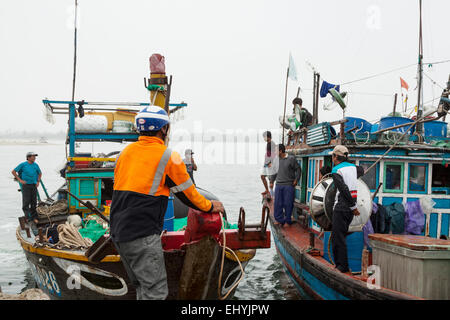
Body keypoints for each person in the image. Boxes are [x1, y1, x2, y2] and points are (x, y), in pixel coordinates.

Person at [110, 106, 224, 300]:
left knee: (140, 286)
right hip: (142, 235)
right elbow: (188, 196)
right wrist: (211, 206)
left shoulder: (124, 153)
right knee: (155, 293)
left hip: (118, 233)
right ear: (164, 129)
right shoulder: (168, 156)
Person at [330, 145, 361, 274]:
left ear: (336, 157)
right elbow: (361, 171)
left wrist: (353, 207)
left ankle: (342, 266)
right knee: (341, 236)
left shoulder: (336, 170)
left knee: (338, 238)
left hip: (342, 208)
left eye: (332, 156)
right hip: (349, 211)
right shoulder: (354, 167)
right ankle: (342, 265)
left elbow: (343, 190)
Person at [273, 144, 301, 226]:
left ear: (280, 151)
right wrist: (271, 181)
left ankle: (288, 220)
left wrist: (296, 180)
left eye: (275, 150)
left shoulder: (291, 159)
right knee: (277, 203)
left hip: (289, 185)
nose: (274, 152)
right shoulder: (276, 160)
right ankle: (279, 220)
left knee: (288, 203)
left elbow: (298, 169)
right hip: (278, 185)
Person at [12, 152, 42, 224]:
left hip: (34, 185)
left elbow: (40, 173)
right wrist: (20, 180)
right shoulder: (23, 164)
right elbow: (13, 171)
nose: (34, 158)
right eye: (33, 156)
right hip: (26, 185)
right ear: (28, 157)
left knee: (34, 202)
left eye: (35, 156)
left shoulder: (35, 165)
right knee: (26, 202)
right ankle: (28, 217)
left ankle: (34, 217)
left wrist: (38, 181)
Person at [260, 131, 278, 198]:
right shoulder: (268, 143)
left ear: (268, 137)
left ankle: (271, 194)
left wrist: (271, 163)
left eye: (264, 137)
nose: (264, 138)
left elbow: (274, 154)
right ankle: (267, 190)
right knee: (262, 176)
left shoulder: (272, 144)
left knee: (271, 179)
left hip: (270, 163)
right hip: (266, 163)